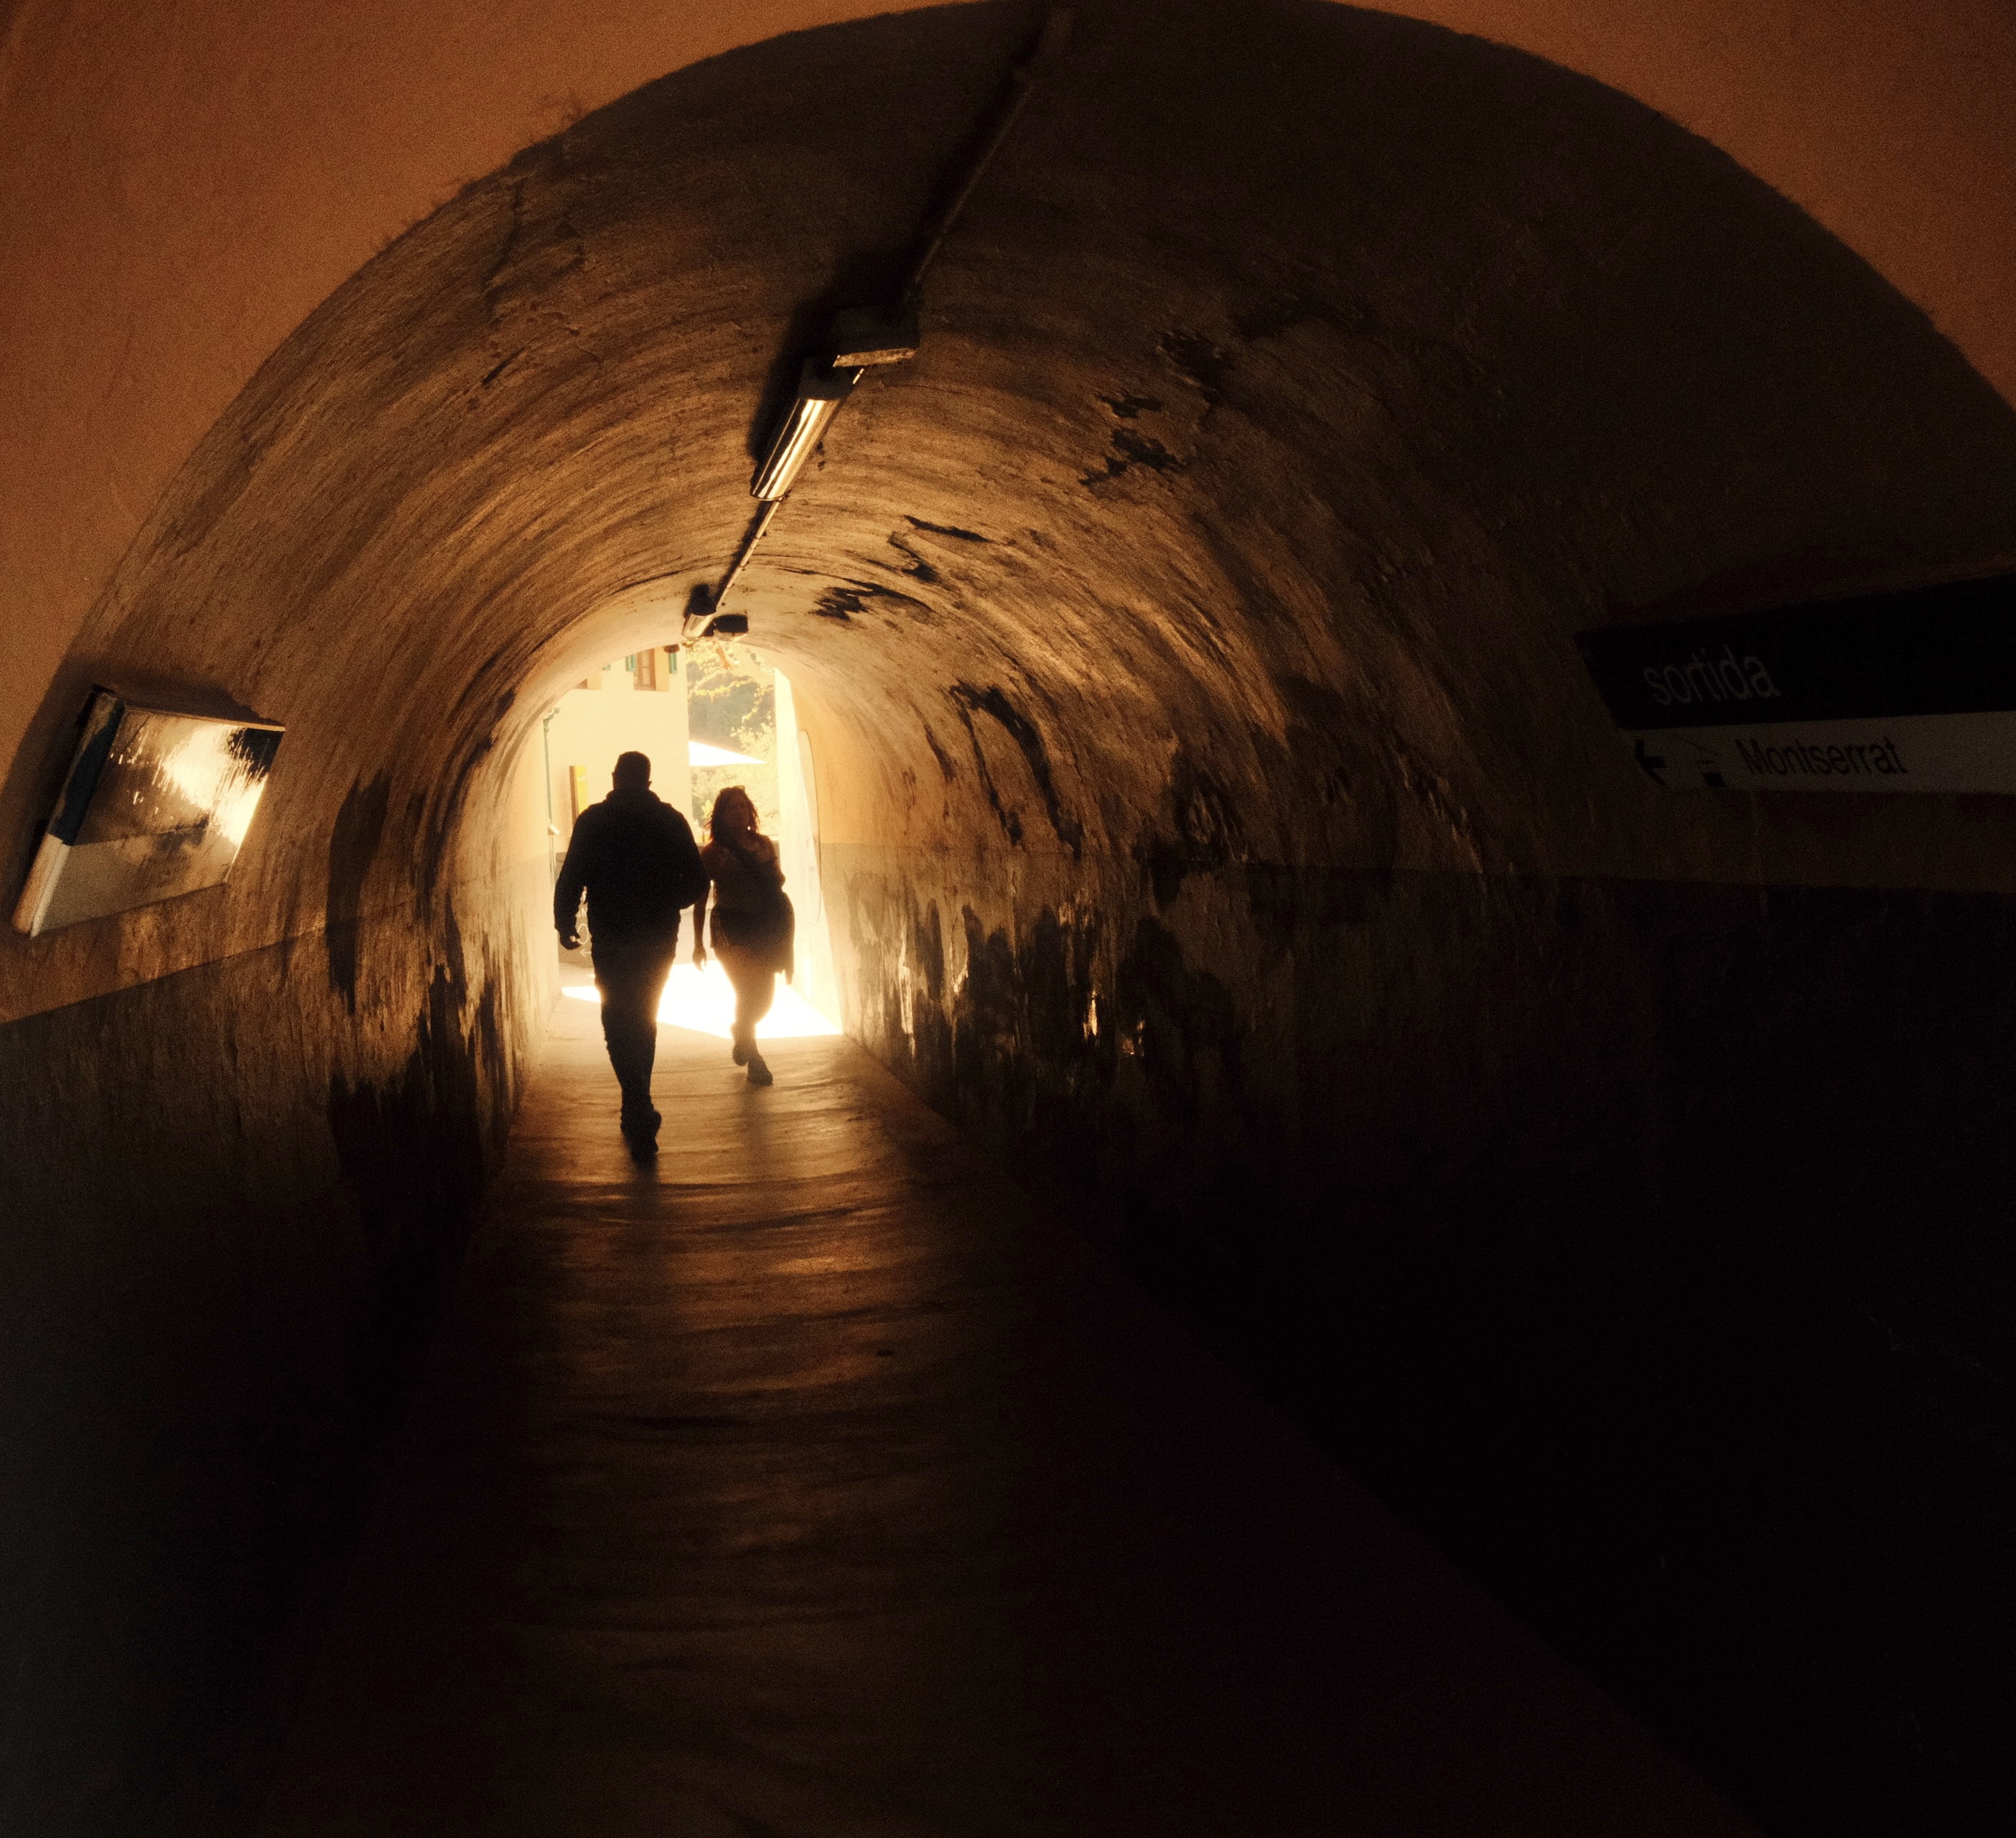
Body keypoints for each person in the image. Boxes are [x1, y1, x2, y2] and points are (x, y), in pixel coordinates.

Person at [554, 750, 706, 1156]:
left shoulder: (593, 820)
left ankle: (635, 1099)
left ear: (616, 778)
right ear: (649, 781)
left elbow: (572, 875)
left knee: (616, 1016)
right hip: (658, 935)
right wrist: (665, 900)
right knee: (645, 1015)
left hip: (612, 933)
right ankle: (639, 1099)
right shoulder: (670, 820)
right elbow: (696, 880)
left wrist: (565, 922)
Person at [694, 785, 793, 1088]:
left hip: (765, 926)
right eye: (731, 808)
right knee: (748, 991)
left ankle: (741, 1029)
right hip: (731, 927)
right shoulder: (713, 853)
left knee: (764, 999)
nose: (739, 811)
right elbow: (701, 898)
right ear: (721, 816)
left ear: (751, 811)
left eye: (743, 806)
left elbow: (777, 883)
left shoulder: (764, 844)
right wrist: (698, 943)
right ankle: (755, 1059)